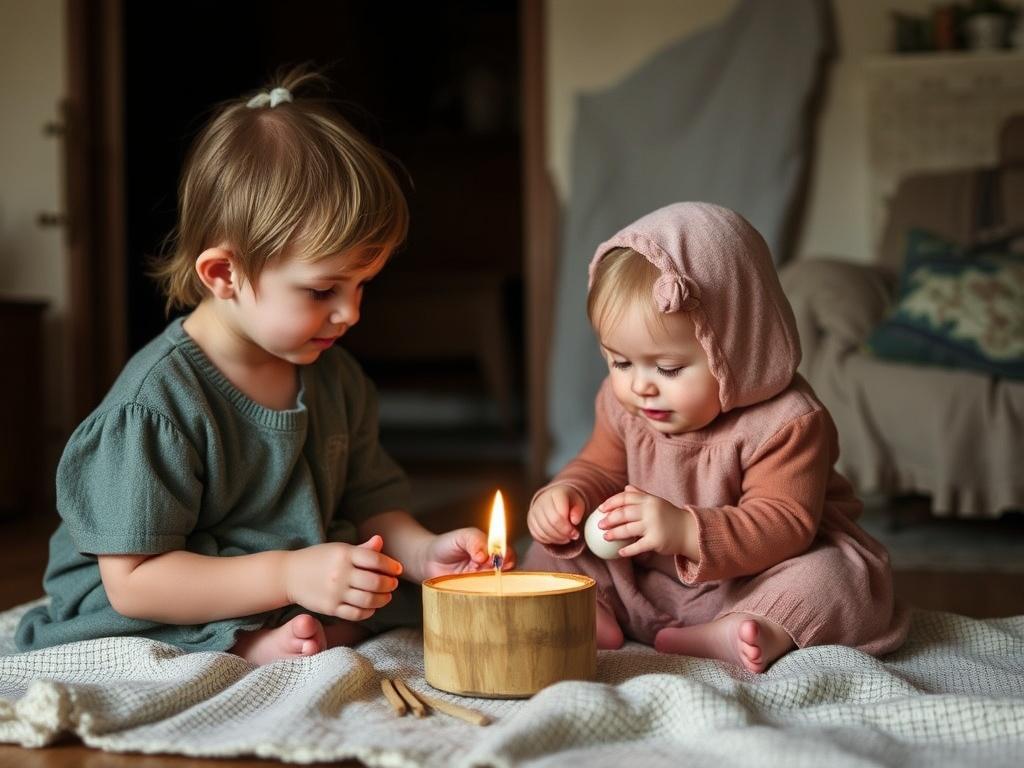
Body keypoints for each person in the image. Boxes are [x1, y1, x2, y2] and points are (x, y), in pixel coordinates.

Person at [16, 67, 512, 665]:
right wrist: (287, 574)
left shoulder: (336, 378)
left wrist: (424, 552)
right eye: (323, 289)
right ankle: (247, 641)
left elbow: (370, 501)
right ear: (223, 274)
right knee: (131, 623)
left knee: (384, 591)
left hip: (279, 562)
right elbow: (135, 580)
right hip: (156, 583)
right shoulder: (157, 404)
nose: (350, 313)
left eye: (362, 285)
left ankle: (289, 623)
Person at [524, 202, 907, 673]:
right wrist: (568, 495)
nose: (641, 385)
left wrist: (684, 530)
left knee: (841, 579)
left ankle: (754, 627)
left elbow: (784, 523)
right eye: (621, 363)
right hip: (647, 579)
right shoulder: (623, 403)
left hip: (755, 577)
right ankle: (591, 609)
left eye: (667, 368)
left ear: (735, 347)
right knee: (548, 551)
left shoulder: (786, 422)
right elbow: (599, 468)